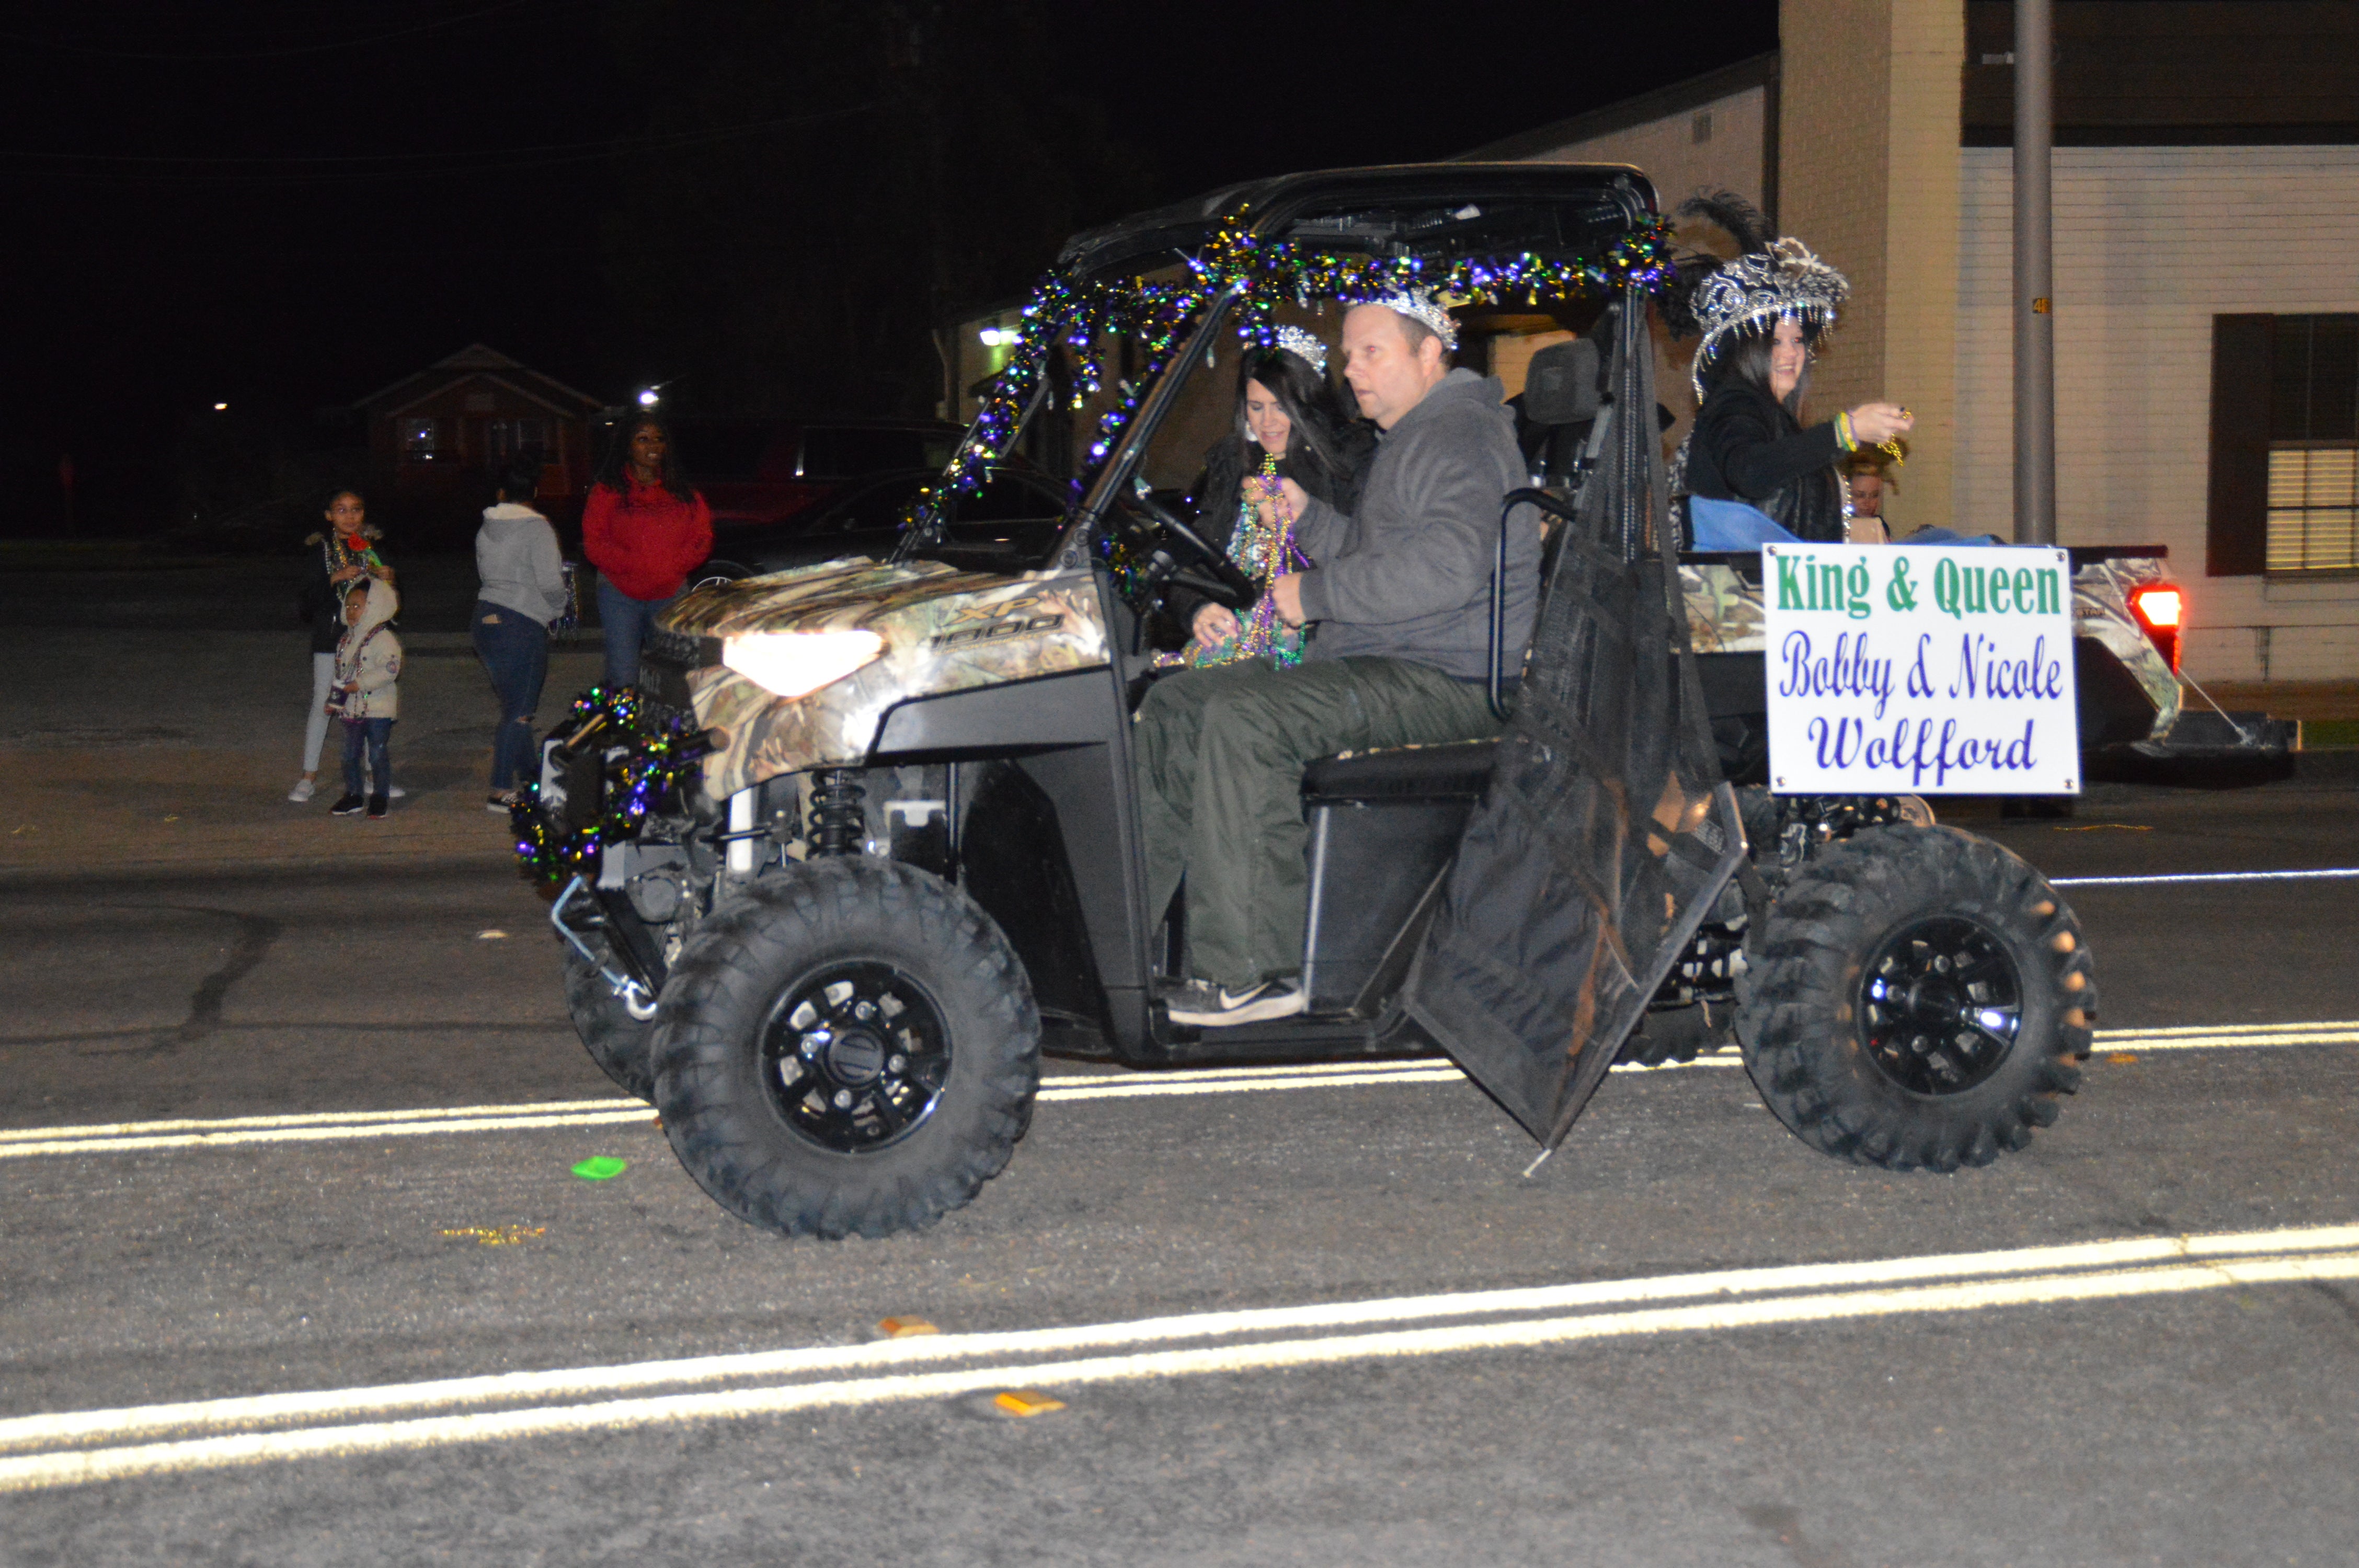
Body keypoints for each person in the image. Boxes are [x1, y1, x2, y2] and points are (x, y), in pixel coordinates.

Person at [1134, 290, 1539, 1028]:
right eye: (1348, 354)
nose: (1351, 370)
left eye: (1370, 352)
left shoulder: (1460, 438)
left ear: (1428, 354)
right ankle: (1127, 936)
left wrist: (1312, 594)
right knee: (1176, 704)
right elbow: (1384, 553)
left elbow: (1447, 567)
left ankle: (1256, 972)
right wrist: (1309, 517)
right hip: (1390, 661)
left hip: (1447, 679)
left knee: (1244, 715)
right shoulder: (1416, 436)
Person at [1667, 192, 1912, 547]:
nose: (1790, 353)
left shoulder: (1774, 417)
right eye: (1775, 341)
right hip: (1744, 595)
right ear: (1750, 350)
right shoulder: (1734, 403)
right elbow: (1750, 472)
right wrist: (1847, 430)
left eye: (1797, 341)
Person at [1164, 325, 1373, 669]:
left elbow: (1367, 563)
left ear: (1307, 406)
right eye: (1257, 407)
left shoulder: (1349, 461)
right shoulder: (1230, 464)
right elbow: (1193, 552)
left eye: (1281, 407)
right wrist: (1198, 608)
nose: (1268, 422)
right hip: (1231, 638)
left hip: (1315, 652)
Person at [582, 412, 712, 688]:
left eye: (658, 439)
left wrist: (672, 566)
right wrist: (636, 564)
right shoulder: (608, 492)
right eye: (643, 439)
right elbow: (594, 543)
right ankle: (622, 728)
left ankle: (664, 729)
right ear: (627, 446)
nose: (653, 446)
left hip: (670, 592)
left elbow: (702, 539)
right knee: (624, 674)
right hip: (620, 594)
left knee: (672, 675)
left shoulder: (684, 493)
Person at [473, 454, 569, 811]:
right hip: (519, 623)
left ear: (501, 492)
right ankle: (499, 791)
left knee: (516, 705)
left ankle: (533, 780)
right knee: (520, 711)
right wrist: (559, 607)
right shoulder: (538, 528)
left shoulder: (486, 527)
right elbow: (549, 581)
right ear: (535, 492)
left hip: (485, 619)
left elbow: (487, 574)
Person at [289, 489, 395, 803]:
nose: (350, 517)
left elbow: (390, 602)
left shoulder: (372, 549)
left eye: (356, 510)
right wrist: (334, 578)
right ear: (329, 516)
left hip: (367, 640)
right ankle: (308, 777)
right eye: (341, 510)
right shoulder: (320, 551)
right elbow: (306, 604)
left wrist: (389, 579)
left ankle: (369, 777)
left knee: (365, 703)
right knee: (325, 703)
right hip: (330, 638)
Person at [326, 577, 402, 820]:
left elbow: (389, 670)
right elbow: (341, 674)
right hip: (351, 708)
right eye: (348, 606)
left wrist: (360, 684)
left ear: (373, 606)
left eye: (357, 606)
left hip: (378, 706)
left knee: (377, 752)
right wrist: (334, 700)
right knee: (349, 754)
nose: (351, 611)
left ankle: (380, 796)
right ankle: (354, 795)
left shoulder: (384, 638)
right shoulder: (346, 639)